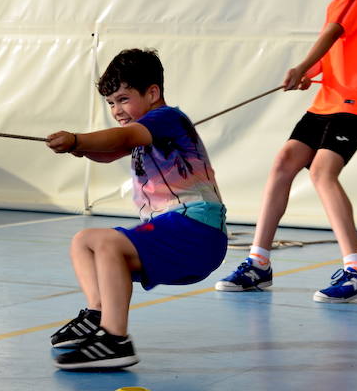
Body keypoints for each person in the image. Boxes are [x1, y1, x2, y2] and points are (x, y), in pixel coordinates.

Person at [215, 0, 357, 303]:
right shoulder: (338, 2)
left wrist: (301, 66)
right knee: (283, 163)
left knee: (322, 172)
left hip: (354, 104)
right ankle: (258, 263)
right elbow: (338, 49)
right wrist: (314, 73)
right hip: (327, 102)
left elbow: (333, 34)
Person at [46, 48, 227, 370]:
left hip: (196, 231)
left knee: (106, 241)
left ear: (152, 92)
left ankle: (115, 340)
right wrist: (81, 148)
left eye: (123, 99)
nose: (117, 110)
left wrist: (77, 139)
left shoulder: (166, 119)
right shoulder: (144, 130)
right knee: (84, 240)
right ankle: (99, 314)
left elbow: (122, 136)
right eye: (111, 103)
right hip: (176, 231)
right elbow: (109, 150)